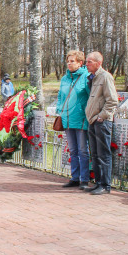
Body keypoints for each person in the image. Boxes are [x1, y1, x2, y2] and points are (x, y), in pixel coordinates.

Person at [82, 52, 118, 196]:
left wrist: (101, 116)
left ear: (98, 62)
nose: (87, 64)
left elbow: (112, 100)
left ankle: (105, 185)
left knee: (103, 154)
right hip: (92, 120)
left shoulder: (105, 77)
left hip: (101, 122)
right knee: (95, 154)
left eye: (89, 62)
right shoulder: (94, 77)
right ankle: (98, 182)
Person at [56, 51, 91, 188]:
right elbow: (60, 95)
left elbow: (90, 96)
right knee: (73, 150)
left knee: (83, 150)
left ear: (80, 63)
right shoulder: (65, 78)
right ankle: (74, 177)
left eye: (72, 61)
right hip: (67, 118)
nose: (69, 64)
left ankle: (84, 179)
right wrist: (60, 109)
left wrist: (86, 111)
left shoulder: (86, 77)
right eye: (68, 61)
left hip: (81, 118)